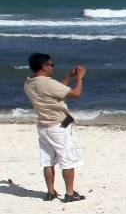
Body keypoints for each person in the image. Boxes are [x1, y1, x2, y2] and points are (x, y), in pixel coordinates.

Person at [23, 52, 87, 202]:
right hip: (59, 126)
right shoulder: (47, 83)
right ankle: (70, 193)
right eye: (51, 65)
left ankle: (50, 192)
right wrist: (79, 78)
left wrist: (69, 76)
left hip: (43, 127)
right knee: (67, 160)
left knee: (47, 161)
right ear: (44, 66)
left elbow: (57, 91)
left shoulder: (29, 82)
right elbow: (76, 94)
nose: (53, 67)